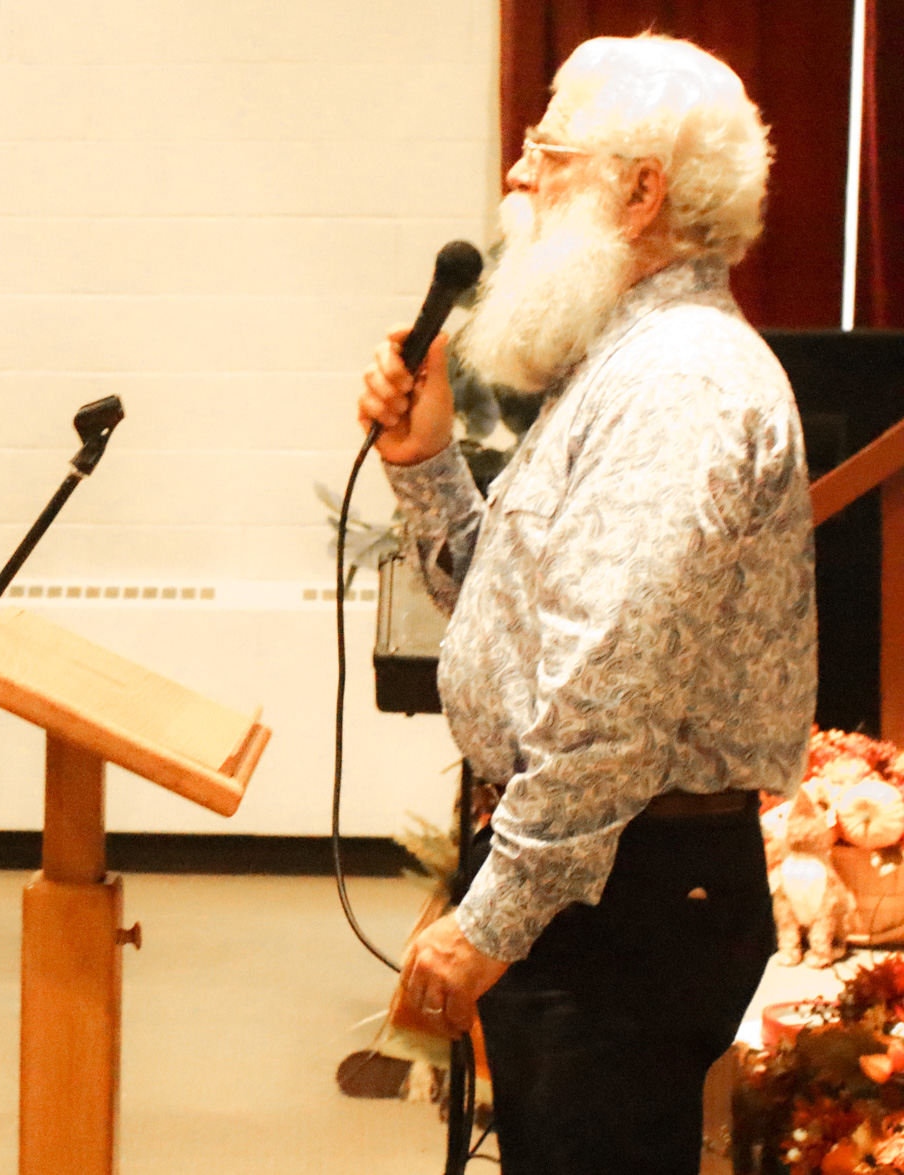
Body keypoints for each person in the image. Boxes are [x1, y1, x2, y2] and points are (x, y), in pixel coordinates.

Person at [359, 34, 814, 1174]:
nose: (514, 178)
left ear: (639, 189)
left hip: (623, 896)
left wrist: (493, 915)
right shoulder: (620, 365)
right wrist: (422, 462)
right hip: (605, 879)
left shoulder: (678, 384)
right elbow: (512, 626)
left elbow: (606, 691)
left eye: (543, 153)